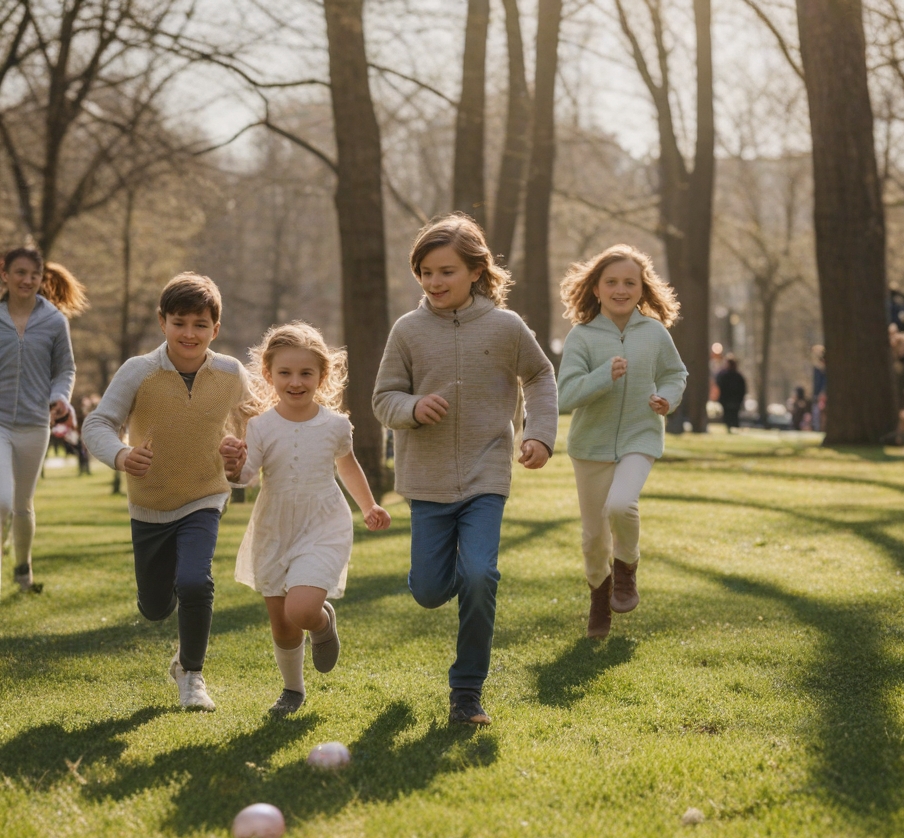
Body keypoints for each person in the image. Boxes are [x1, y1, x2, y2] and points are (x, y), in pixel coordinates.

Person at [372, 215, 558, 726]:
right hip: (426, 481)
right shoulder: (407, 331)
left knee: (479, 574)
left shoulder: (506, 327)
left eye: (446, 271)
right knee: (430, 591)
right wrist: (411, 408)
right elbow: (382, 398)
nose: (434, 282)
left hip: (486, 475)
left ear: (476, 271)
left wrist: (539, 433)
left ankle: (467, 691)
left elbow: (540, 375)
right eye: (425, 273)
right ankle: (448, 574)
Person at [82, 273, 249, 710]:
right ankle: (178, 642)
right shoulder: (138, 371)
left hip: (205, 497)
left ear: (216, 328)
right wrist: (121, 456)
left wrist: (239, 460)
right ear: (163, 322)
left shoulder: (231, 373)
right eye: (179, 322)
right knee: (155, 608)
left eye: (200, 324)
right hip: (150, 506)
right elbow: (97, 424)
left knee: (195, 581)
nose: (189, 333)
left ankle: (191, 673)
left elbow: (253, 432)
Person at [231, 322, 391, 715]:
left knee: (300, 612)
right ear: (269, 375)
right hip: (275, 526)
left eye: (306, 373)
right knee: (282, 622)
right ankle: (293, 690)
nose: (296, 381)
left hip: (324, 524)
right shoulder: (260, 426)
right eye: (285, 372)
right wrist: (233, 466)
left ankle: (321, 624)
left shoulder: (334, 425)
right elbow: (246, 476)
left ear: (323, 375)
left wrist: (369, 506)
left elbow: (348, 467)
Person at [556, 245, 687, 639]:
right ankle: (600, 597)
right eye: (611, 282)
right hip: (590, 446)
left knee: (621, 503)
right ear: (595, 289)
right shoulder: (581, 337)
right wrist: (601, 376)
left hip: (640, 436)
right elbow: (564, 397)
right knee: (594, 536)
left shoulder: (654, 333)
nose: (620, 289)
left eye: (630, 282)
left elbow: (675, 374)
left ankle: (626, 568)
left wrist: (667, 397)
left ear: (642, 289)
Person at [0, 246, 85, 595]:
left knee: (22, 505)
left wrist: (60, 396)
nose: (27, 280)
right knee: (2, 501)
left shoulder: (53, 320)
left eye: (33, 274)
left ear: (41, 278)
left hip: (36, 423)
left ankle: (24, 570)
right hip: (0, 422)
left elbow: (65, 368)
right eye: (19, 272)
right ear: (5, 275)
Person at [715, 354, 746, 432]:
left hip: (733, 400)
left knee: (732, 415)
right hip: (728, 400)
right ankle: (730, 427)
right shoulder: (726, 375)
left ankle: (732, 427)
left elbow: (742, 389)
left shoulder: (737, 376)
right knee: (729, 415)